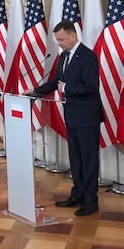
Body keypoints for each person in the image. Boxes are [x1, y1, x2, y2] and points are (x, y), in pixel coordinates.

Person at [24, 20, 103, 216]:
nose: (59, 43)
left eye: (61, 39)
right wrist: (35, 91)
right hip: (72, 115)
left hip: (87, 117)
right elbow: (54, 82)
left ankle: (91, 200)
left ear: (73, 36)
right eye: (57, 40)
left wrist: (66, 89)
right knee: (75, 158)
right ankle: (78, 194)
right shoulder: (64, 57)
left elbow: (90, 87)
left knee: (88, 159)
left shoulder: (88, 57)